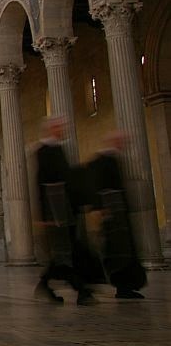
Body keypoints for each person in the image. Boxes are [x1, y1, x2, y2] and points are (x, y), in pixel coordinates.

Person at [35, 116, 95, 305]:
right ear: (51, 129)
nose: (62, 130)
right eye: (59, 127)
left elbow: (68, 180)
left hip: (65, 209)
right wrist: (45, 216)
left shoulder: (58, 148)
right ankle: (81, 290)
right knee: (65, 253)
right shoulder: (44, 151)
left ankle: (46, 284)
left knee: (66, 253)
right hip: (56, 210)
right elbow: (41, 183)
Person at [87, 131, 147, 300]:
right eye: (119, 141)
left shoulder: (115, 158)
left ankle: (127, 285)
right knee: (118, 251)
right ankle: (121, 286)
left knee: (125, 250)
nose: (122, 144)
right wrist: (99, 208)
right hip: (112, 213)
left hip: (119, 212)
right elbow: (95, 186)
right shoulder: (100, 160)